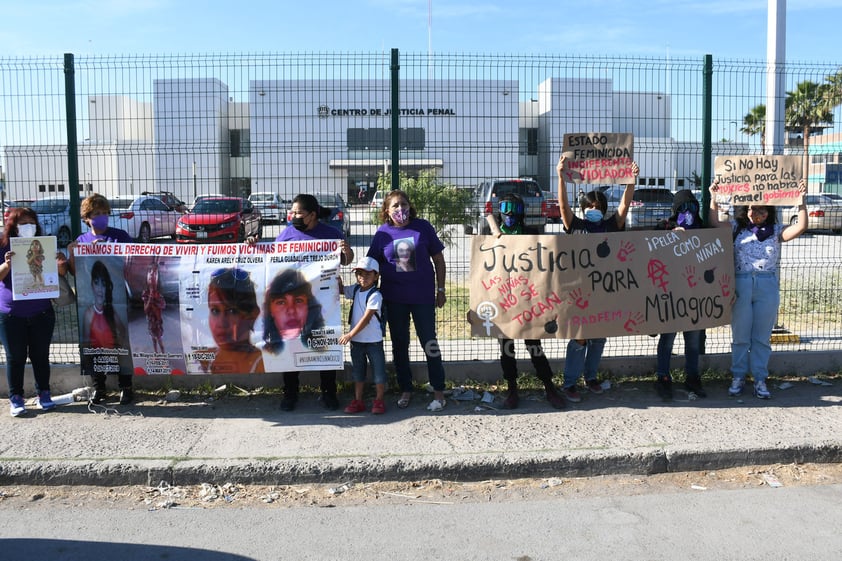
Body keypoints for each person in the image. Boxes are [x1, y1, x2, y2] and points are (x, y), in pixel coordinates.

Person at [709, 178, 808, 399]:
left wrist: (801, 201)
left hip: (767, 285)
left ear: (769, 211)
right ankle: (738, 376)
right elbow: (714, 222)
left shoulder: (775, 231)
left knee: (762, 337)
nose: (756, 213)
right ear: (746, 210)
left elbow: (801, 227)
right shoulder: (736, 228)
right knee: (741, 335)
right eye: (752, 209)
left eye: (762, 209)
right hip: (742, 284)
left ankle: (760, 379)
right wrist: (713, 197)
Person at [557, 154, 639, 403]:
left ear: (603, 210)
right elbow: (562, 208)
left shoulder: (612, 226)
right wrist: (560, 177)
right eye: (589, 206)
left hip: (604, 291)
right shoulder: (576, 225)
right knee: (579, 337)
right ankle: (570, 383)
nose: (593, 210)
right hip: (580, 292)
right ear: (583, 208)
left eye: (598, 207)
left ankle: (590, 378)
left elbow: (624, 207)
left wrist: (631, 182)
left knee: (599, 335)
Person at [270, 193, 353, 411]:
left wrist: (346, 251)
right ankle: (290, 393)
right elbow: (269, 262)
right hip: (292, 304)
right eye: (293, 212)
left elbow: (345, 260)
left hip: (323, 303)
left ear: (313, 215)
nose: (294, 216)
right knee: (291, 345)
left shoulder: (330, 234)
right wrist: (253, 245)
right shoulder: (286, 234)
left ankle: (328, 392)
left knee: (323, 344)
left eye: (299, 213)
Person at [367, 189, 448, 412]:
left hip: (422, 297)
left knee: (429, 343)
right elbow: (370, 266)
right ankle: (406, 389)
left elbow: (439, 260)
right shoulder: (382, 234)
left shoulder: (423, 227)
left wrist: (441, 289)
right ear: (386, 210)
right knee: (399, 346)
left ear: (410, 206)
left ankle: (438, 390)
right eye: (395, 206)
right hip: (394, 299)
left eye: (403, 204)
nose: (400, 209)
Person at [493, 193, 566, 410]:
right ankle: (512, 388)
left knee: (534, 345)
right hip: (504, 299)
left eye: (514, 207)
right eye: (505, 207)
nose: (509, 213)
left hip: (528, 300)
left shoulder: (531, 234)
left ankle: (548, 386)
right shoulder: (492, 236)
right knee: (506, 348)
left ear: (522, 212)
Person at [68, 193, 135, 404]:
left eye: (105, 213)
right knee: (93, 344)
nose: (101, 217)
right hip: (91, 302)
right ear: (87, 217)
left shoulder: (120, 236)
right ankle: (99, 388)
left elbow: (133, 261)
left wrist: (108, 250)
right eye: (96, 213)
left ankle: (126, 386)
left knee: (122, 342)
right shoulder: (81, 241)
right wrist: (73, 254)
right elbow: (75, 272)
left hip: (119, 299)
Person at [0, 207, 60, 416]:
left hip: (41, 312)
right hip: (11, 313)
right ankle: (16, 398)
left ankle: (44, 393)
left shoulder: (44, 244)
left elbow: (57, 272)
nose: (29, 227)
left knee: (40, 355)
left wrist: (57, 261)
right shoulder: (3, 245)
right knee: (15, 357)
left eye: (32, 222)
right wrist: (7, 265)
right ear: (13, 226)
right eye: (23, 223)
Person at [652, 189, 707, 401]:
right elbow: (648, 244)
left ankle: (692, 377)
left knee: (693, 341)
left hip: (694, 295)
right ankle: (663, 377)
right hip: (671, 296)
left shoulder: (702, 229)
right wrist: (669, 233)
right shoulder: (666, 226)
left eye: (692, 207)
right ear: (675, 210)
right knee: (667, 339)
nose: (688, 212)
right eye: (683, 208)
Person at [339, 257, 387, 415]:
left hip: (373, 341)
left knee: (378, 372)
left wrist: (350, 334)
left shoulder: (375, 296)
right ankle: (358, 400)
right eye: (359, 273)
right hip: (357, 342)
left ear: (376, 276)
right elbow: (341, 289)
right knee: (358, 372)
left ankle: (379, 400)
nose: (362, 277)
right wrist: (333, 272)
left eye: (367, 274)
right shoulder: (355, 290)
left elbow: (366, 319)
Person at [206, 267, 264, 375]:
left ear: (252, 315)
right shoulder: (203, 359)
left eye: (232, 311)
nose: (221, 323)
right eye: (215, 311)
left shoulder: (263, 363)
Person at [262, 267, 325, 355]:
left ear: (309, 307)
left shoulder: (323, 350)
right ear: (270, 310)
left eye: (298, 301)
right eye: (281, 302)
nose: (291, 310)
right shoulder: (262, 355)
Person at [142, 261, 166, 354]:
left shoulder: (159, 294)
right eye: (150, 273)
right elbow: (146, 310)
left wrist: (155, 299)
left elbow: (163, 305)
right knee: (153, 340)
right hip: (150, 323)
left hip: (158, 324)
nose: (152, 276)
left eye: (155, 273)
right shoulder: (145, 293)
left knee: (160, 342)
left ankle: (163, 356)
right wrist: (151, 297)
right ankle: (156, 353)